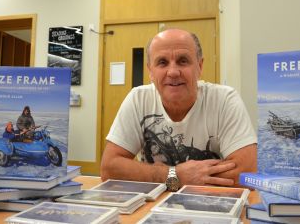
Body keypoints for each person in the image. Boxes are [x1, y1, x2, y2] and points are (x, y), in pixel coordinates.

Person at [100, 29, 257, 190]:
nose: (173, 72)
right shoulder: (138, 99)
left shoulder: (224, 100)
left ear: (200, 66)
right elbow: (109, 169)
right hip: (152, 208)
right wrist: (175, 176)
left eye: (183, 61)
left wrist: (154, 176)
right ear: (150, 71)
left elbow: (247, 172)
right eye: (162, 62)